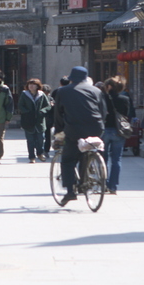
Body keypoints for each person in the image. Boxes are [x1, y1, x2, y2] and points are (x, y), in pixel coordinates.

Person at [54, 66, 106, 204]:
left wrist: (59, 131)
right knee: (86, 152)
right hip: (96, 127)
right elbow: (103, 111)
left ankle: (71, 192)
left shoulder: (63, 91)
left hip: (74, 129)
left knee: (68, 160)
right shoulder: (96, 90)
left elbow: (58, 114)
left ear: (71, 78)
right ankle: (85, 180)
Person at [101, 75, 129, 194]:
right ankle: (113, 186)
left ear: (109, 86)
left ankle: (104, 184)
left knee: (103, 159)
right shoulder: (125, 99)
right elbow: (127, 116)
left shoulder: (102, 98)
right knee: (117, 159)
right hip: (118, 131)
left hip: (104, 130)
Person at [17, 78, 51, 163]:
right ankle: (31, 157)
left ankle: (40, 153)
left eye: (33, 84)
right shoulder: (24, 94)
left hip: (39, 121)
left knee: (40, 139)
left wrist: (42, 112)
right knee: (30, 140)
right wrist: (27, 112)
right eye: (30, 84)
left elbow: (48, 106)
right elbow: (20, 105)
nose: (31, 86)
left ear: (37, 86)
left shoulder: (41, 94)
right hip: (28, 121)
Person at [41, 84, 55, 158]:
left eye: (47, 93)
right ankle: (40, 150)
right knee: (40, 137)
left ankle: (46, 151)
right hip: (40, 120)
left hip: (49, 120)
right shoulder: (39, 98)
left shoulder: (51, 99)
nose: (46, 95)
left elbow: (53, 109)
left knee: (48, 137)